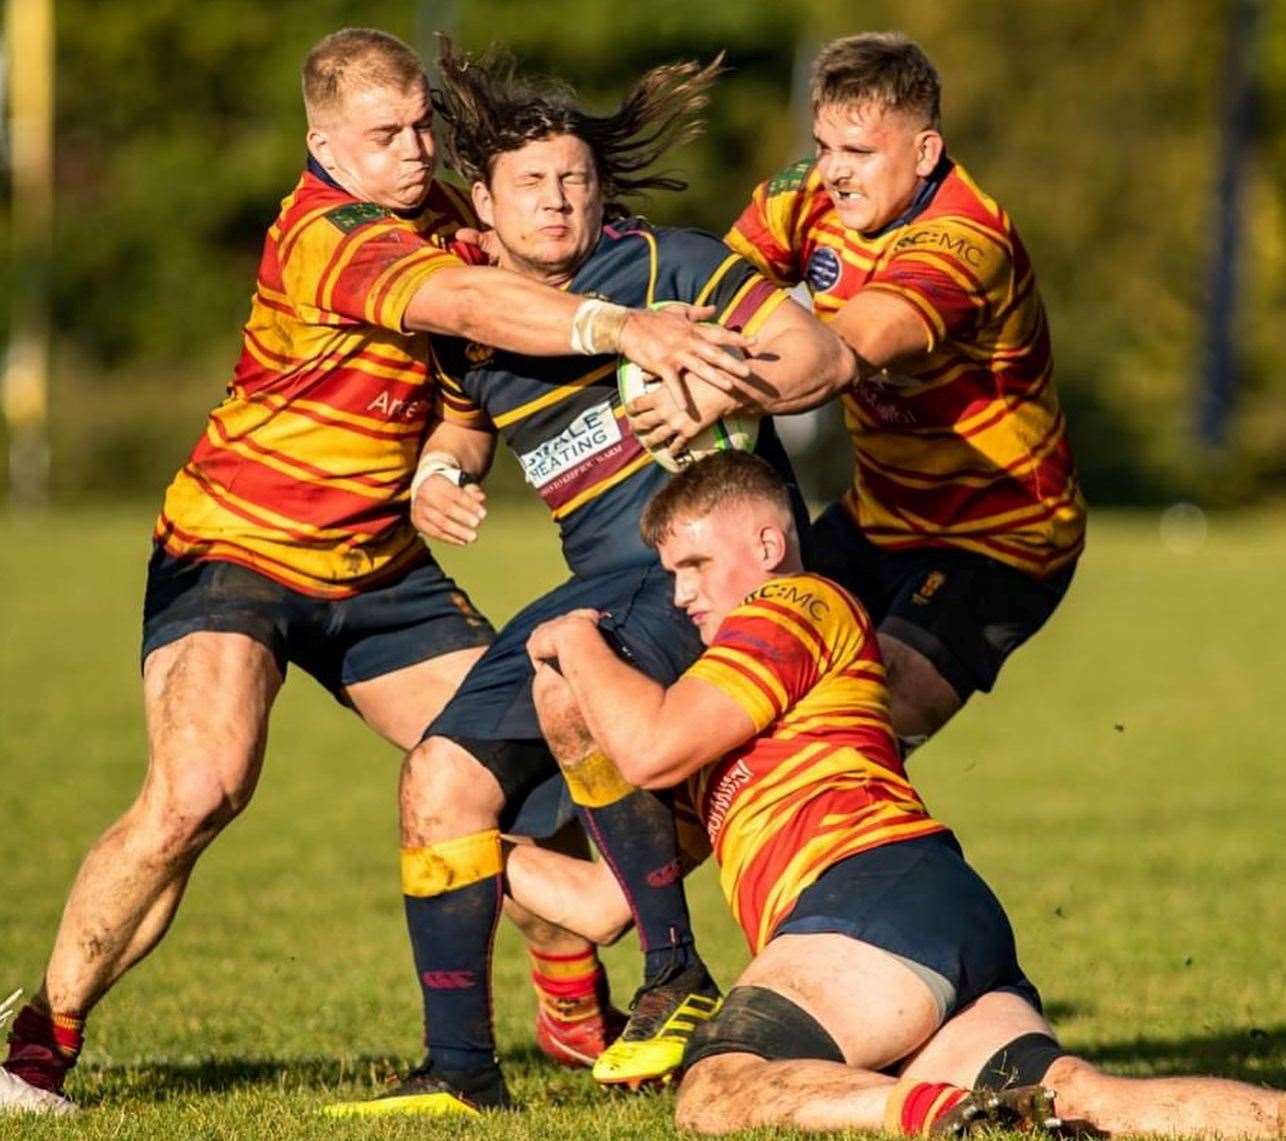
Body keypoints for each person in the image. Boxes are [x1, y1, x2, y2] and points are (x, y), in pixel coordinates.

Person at [0, 26, 757, 1116]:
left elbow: (465, 390)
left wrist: (443, 463)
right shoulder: (326, 235)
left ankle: (564, 1000)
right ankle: (41, 1045)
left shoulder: (450, 216)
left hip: (379, 576)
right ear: (322, 140)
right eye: (382, 134)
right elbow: (459, 308)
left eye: (421, 127)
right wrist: (618, 323)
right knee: (199, 788)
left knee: (536, 782)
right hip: (237, 550)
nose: (413, 150)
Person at [322, 39, 853, 1118]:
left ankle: (674, 976)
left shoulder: (669, 266)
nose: (558, 201)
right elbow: (464, 425)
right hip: (596, 585)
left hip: (697, 586)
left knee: (572, 679)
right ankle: (460, 1073)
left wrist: (715, 397)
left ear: (600, 189)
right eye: (532, 184)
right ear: (485, 197)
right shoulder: (473, 318)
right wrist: (435, 470)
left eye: (574, 179)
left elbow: (820, 358)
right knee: (437, 786)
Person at [511, 451, 1284, 1138]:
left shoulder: (791, 606)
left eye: (696, 564)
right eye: (671, 572)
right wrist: (470, 855)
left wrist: (574, 639)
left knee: (715, 1088)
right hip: (926, 917)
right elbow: (610, 900)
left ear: (767, 546)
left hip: (866, 900)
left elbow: (647, 747)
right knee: (1081, 1096)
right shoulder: (727, 726)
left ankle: (932, 1114)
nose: (681, 595)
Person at [629, 32, 1087, 755]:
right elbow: (716, 287)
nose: (835, 173)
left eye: (860, 154)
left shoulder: (965, 242)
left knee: (872, 703)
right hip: (878, 514)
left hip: (1001, 536)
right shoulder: (804, 197)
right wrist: (666, 326)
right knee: (751, 669)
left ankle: (867, 856)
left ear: (926, 152)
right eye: (825, 147)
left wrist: (719, 391)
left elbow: (839, 358)